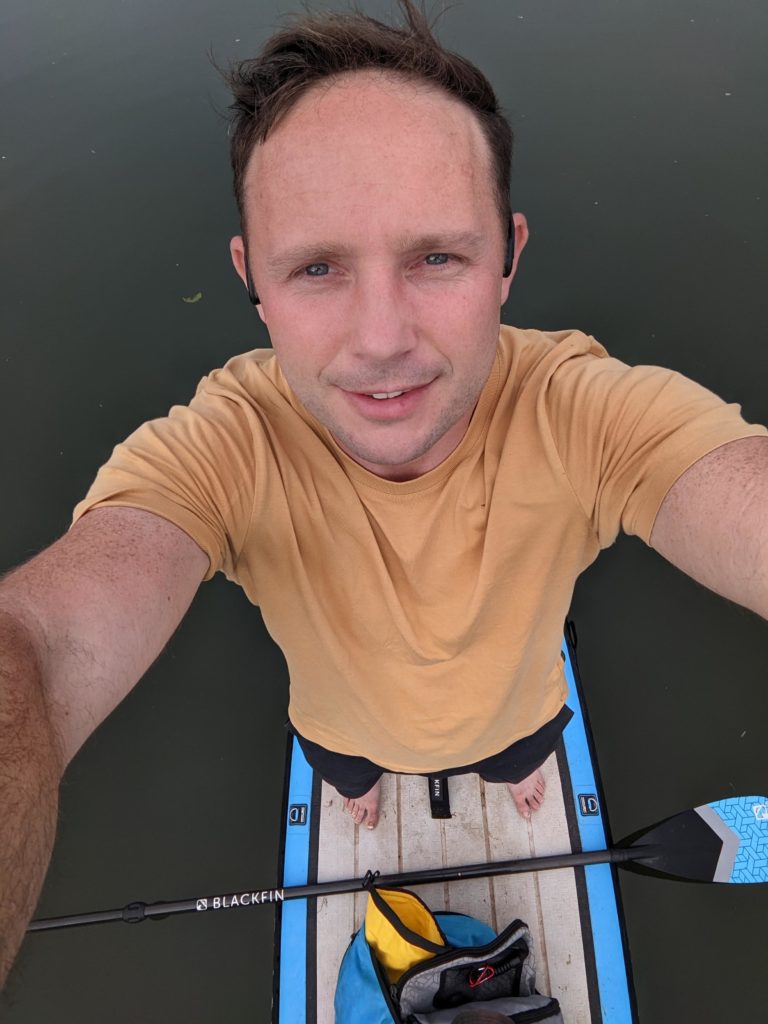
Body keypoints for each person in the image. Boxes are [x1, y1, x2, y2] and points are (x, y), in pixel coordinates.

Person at [0, 0, 766, 991]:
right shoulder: (227, 443)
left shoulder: (582, 407)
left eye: (435, 256)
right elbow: (44, 649)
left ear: (508, 259)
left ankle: (520, 769)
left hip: (518, 712)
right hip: (340, 733)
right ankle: (362, 792)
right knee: (349, 779)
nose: (381, 339)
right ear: (253, 281)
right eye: (317, 266)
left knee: (525, 755)